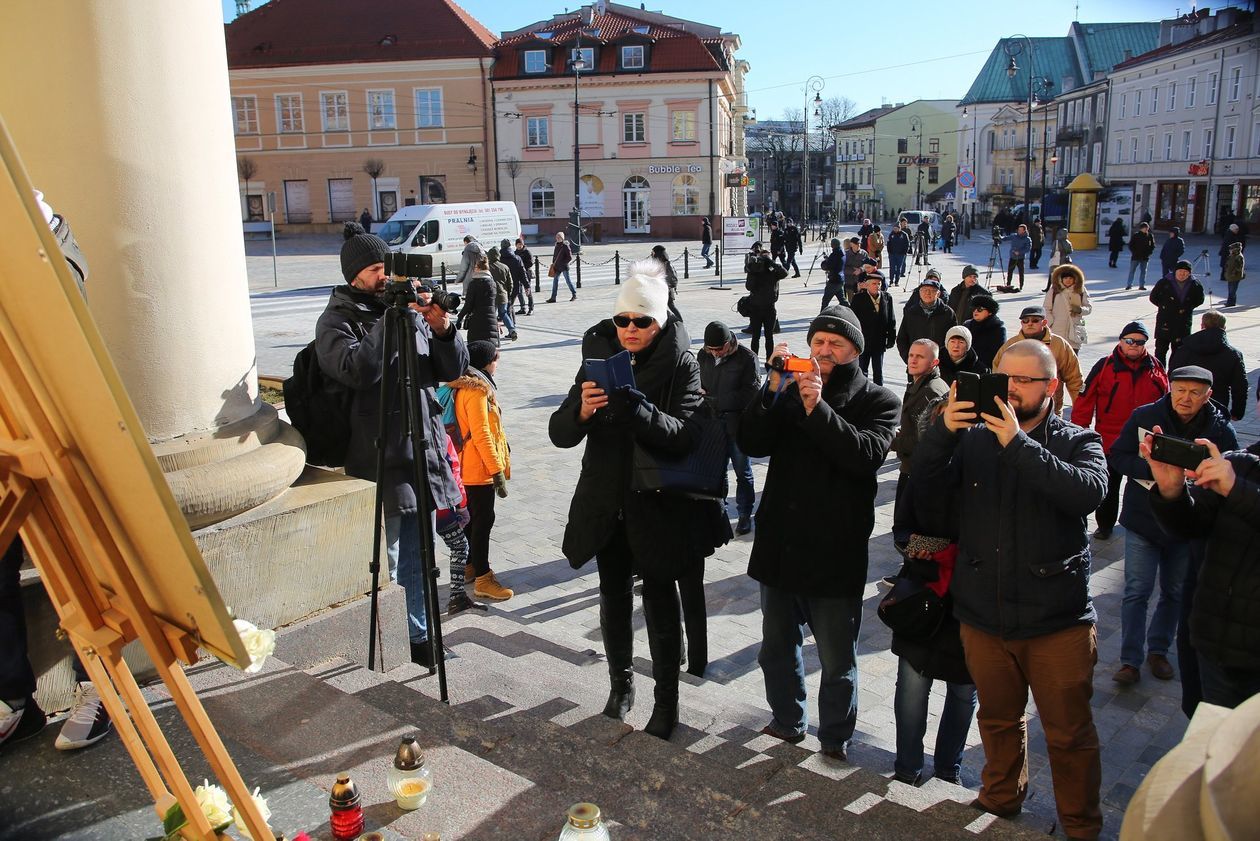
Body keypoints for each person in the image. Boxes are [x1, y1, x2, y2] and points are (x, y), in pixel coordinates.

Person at [916, 339, 1107, 841]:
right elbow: (928, 492)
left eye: (1026, 381)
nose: (1014, 389)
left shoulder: (1077, 440)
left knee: (1068, 735)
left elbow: (1086, 492)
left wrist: (1018, 444)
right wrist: (940, 434)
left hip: (1056, 621)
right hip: (985, 615)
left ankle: (1081, 825)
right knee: (999, 718)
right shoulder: (975, 438)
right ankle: (1001, 797)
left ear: (1051, 387)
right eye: (1007, 378)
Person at [549, 262, 730, 739]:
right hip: (608, 499)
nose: (630, 329)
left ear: (661, 320)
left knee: (660, 602)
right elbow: (559, 432)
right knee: (611, 595)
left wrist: (638, 410)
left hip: (659, 504)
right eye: (622, 320)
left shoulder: (682, 364)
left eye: (642, 321)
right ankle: (620, 684)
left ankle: (666, 701)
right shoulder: (598, 357)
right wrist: (583, 410)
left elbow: (684, 437)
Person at [738, 307, 900, 761]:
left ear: (854, 351)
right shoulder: (787, 390)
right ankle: (787, 720)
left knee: (835, 658)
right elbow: (751, 441)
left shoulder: (879, 400)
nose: (824, 351)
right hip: (782, 545)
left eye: (835, 344)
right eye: (818, 343)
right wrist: (771, 387)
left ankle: (834, 736)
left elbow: (863, 455)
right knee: (776, 647)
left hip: (834, 550)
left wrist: (817, 407)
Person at [316, 222, 469, 665]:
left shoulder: (404, 311)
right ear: (354, 276)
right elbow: (358, 372)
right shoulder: (338, 320)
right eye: (377, 269)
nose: (386, 276)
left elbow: (450, 369)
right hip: (382, 454)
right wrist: (392, 319)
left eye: (389, 266)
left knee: (422, 556)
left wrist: (441, 328)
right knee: (394, 557)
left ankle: (422, 637)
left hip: (423, 448)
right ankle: (396, 640)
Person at [2, 192, 113, 752]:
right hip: (9, 439)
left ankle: (98, 689)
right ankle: (15, 700)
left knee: (79, 568)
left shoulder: (53, 252)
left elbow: (58, 336)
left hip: (62, 438)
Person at [1108, 366, 1237, 686]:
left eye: (1194, 392)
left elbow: (1232, 471)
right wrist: (1157, 471)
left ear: (1208, 395)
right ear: (1170, 388)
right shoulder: (1145, 416)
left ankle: (1159, 651)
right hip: (1144, 519)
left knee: (1175, 592)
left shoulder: (1219, 429)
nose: (1185, 398)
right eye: (1180, 390)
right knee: (1136, 591)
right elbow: (1118, 456)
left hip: (1187, 525)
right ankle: (1130, 660)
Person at [1146, 422, 1260, 709]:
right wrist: (1172, 491)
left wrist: (1237, 490)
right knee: (1216, 749)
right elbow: (1189, 529)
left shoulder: (1235, 477)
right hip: (1218, 652)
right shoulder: (1239, 463)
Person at [891, 419, 976, 786]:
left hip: (973, 604)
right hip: (923, 597)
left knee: (962, 692)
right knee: (912, 688)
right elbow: (901, 530)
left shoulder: (988, 476)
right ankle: (907, 767)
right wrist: (931, 549)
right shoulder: (922, 476)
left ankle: (947, 770)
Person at [1070, 322, 1169, 541]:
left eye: (1140, 342)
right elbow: (1085, 400)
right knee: (1110, 486)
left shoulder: (1156, 367)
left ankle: (1147, 525)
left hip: (1147, 441)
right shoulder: (1105, 366)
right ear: (1121, 342)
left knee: (1147, 486)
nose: (1134, 346)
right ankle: (1105, 525)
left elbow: (1167, 400)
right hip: (1111, 439)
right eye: (1130, 341)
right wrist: (1080, 430)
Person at [447, 340, 515, 602]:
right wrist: (496, 471)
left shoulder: (464, 385)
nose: (497, 364)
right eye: (496, 359)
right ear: (487, 362)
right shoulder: (476, 391)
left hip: (468, 466)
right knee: (482, 521)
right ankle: (484, 579)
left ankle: (470, 566)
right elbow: (482, 434)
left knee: (473, 520)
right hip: (477, 469)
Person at [699, 321, 761, 536]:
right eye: (710, 349)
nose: (715, 354)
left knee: (743, 471)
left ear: (728, 343)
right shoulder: (704, 354)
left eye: (718, 349)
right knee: (718, 471)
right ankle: (721, 512)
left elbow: (751, 394)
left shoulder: (747, 358)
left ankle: (744, 513)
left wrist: (716, 400)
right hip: (712, 423)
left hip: (737, 424)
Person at [992, 306, 1082, 416]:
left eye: (1035, 320)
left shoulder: (1059, 344)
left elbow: (1074, 379)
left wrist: (1079, 411)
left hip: (1050, 411)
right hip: (1015, 410)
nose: (1029, 323)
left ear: (1044, 322)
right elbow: (997, 376)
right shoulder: (1011, 345)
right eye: (1025, 320)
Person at [893, 339, 949, 511]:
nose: (913, 360)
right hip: (913, 467)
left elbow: (925, 439)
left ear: (934, 362)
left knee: (905, 531)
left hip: (918, 472)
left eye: (920, 357)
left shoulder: (931, 391)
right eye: (911, 355)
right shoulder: (921, 384)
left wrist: (890, 441)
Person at [1170, 310, 1248, 421]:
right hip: (1217, 406)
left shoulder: (1185, 349)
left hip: (1185, 405)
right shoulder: (1233, 354)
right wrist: (1237, 412)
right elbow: (1240, 386)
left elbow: (1172, 376)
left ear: (1202, 326)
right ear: (1224, 327)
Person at [1149, 259, 1206, 368]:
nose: (1182, 274)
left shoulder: (1195, 284)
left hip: (1183, 322)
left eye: (1185, 272)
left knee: (1179, 352)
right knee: (1160, 350)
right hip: (1165, 321)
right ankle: (1159, 373)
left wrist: (1187, 307)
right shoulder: (1164, 282)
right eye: (1180, 271)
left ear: (1189, 273)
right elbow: (1153, 297)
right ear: (1175, 271)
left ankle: (1174, 374)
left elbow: (1199, 300)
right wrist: (1165, 307)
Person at [896, 275, 954, 363]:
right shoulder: (911, 312)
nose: (927, 293)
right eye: (924, 290)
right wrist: (909, 358)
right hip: (916, 363)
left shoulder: (947, 313)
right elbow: (902, 339)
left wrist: (946, 360)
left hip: (940, 363)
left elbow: (953, 339)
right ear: (919, 293)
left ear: (938, 294)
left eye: (932, 291)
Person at [744, 242, 788, 359]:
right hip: (759, 308)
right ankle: (757, 359)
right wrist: (755, 270)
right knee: (760, 336)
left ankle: (767, 359)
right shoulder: (760, 269)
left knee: (764, 336)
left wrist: (770, 263)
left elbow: (784, 273)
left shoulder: (772, 270)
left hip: (766, 307)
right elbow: (749, 286)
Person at [851, 272, 896, 386]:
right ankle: (861, 392)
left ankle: (878, 393)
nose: (877, 286)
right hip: (863, 341)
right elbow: (853, 320)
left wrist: (891, 338)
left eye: (879, 284)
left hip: (879, 341)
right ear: (866, 285)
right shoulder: (858, 298)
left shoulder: (887, 297)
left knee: (878, 371)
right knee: (862, 370)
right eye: (874, 283)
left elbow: (891, 318)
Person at [1044, 265, 1092, 353]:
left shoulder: (1081, 290)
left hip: (1075, 330)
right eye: (1065, 278)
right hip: (1057, 329)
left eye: (1070, 278)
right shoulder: (1054, 291)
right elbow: (1046, 308)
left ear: (1075, 279)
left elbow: (1088, 308)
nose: (1068, 280)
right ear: (1061, 279)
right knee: (1056, 357)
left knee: (1073, 357)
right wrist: (1051, 323)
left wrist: (1080, 310)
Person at [456, 254, 498, 345]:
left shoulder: (474, 284)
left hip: (477, 321)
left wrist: (460, 318)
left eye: (475, 267)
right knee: (490, 350)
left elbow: (468, 305)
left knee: (476, 349)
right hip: (491, 320)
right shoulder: (492, 283)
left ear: (479, 269)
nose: (474, 269)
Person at [964, 295, 1006, 371]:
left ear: (990, 312)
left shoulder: (998, 329)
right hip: (965, 367)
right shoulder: (967, 325)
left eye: (980, 309)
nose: (975, 311)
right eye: (974, 309)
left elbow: (997, 355)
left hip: (985, 370)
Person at [487, 246, 517, 342]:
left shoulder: (487, 267)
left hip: (491, 295)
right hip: (503, 294)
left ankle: (492, 334)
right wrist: (508, 294)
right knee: (504, 314)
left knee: (491, 315)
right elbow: (510, 283)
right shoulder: (504, 267)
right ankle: (512, 330)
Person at [651, 244, 683, 321]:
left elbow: (673, 277)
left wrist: (669, 286)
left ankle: (680, 320)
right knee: (662, 305)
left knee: (670, 305)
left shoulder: (667, 264)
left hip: (666, 289)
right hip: (660, 288)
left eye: (653, 253)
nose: (652, 254)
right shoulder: (658, 263)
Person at [547, 231, 576, 302]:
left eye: (559, 237)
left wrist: (563, 263)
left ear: (562, 238)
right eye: (557, 237)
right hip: (557, 267)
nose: (557, 238)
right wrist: (553, 263)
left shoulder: (565, 245)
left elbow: (569, 257)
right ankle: (553, 297)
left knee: (568, 281)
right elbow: (555, 256)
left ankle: (574, 294)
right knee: (555, 281)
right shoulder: (556, 245)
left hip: (564, 267)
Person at [1126, 221, 1156, 291]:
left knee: (1143, 271)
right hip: (1136, 256)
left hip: (1145, 257)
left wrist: (1149, 253)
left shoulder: (1150, 235)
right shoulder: (1136, 235)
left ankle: (1141, 285)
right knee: (1132, 271)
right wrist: (1134, 252)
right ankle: (1129, 285)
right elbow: (1131, 245)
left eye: (1147, 228)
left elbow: (1152, 245)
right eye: (1145, 228)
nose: (1146, 229)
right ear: (1141, 228)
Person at [819, 238, 845, 309]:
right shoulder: (842, 253)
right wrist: (829, 259)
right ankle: (852, 312)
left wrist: (825, 262)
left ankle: (821, 318)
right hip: (840, 279)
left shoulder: (835, 254)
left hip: (834, 280)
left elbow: (830, 266)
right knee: (842, 301)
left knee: (825, 300)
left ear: (833, 245)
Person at [842, 237, 868, 302]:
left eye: (859, 244)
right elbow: (842, 268)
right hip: (849, 281)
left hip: (861, 281)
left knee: (862, 301)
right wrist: (853, 271)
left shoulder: (864, 253)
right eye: (856, 244)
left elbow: (868, 265)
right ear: (851, 244)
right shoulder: (846, 254)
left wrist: (861, 269)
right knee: (852, 301)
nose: (858, 245)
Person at [513, 237, 535, 315]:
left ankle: (531, 308)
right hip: (518, 274)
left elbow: (531, 262)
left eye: (520, 244)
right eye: (518, 244)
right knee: (519, 291)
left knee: (528, 291)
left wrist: (523, 267)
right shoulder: (515, 253)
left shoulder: (527, 252)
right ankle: (522, 307)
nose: (519, 246)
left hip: (526, 273)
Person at [887, 220, 911, 287]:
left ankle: (896, 281)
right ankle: (891, 280)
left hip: (901, 254)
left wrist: (904, 252)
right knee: (892, 268)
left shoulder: (904, 235)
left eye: (896, 228)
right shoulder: (891, 234)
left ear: (899, 228)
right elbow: (888, 243)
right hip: (892, 254)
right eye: (894, 228)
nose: (895, 229)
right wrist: (889, 251)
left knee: (898, 268)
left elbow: (907, 244)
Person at [1222, 240, 1245, 307]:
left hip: (1235, 276)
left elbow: (1239, 267)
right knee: (1230, 289)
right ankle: (1230, 302)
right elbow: (1227, 264)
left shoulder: (1239, 256)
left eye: (1231, 249)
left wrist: (1233, 274)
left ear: (1235, 249)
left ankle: (1231, 302)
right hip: (1230, 276)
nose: (1230, 250)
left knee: (1232, 290)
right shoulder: (1231, 255)